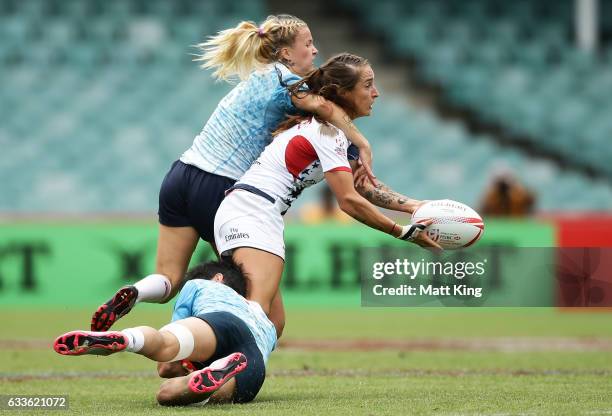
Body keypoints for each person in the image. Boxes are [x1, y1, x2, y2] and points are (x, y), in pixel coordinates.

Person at [90, 15, 377, 333]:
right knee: (269, 317)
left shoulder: (260, 75)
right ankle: (205, 353)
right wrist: (361, 141)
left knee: (168, 280)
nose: (314, 50)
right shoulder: (287, 81)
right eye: (307, 44)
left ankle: (137, 292)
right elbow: (327, 108)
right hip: (221, 188)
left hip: (181, 175)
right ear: (285, 54)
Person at [213, 53, 442, 337]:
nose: (376, 92)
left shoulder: (334, 134)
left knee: (272, 323)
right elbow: (347, 201)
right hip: (252, 212)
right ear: (343, 93)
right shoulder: (327, 132)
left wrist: (415, 206)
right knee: (256, 315)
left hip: (248, 210)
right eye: (368, 85)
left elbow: (364, 186)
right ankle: (186, 353)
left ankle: (185, 357)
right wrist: (402, 232)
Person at [55, 260, 274, 406]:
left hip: (219, 320)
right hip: (253, 360)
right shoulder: (264, 318)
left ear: (218, 278)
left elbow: (167, 365)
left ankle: (128, 339)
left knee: (165, 346)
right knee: (173, 393)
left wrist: (180, 363)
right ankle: (210, 375)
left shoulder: (199, 286)